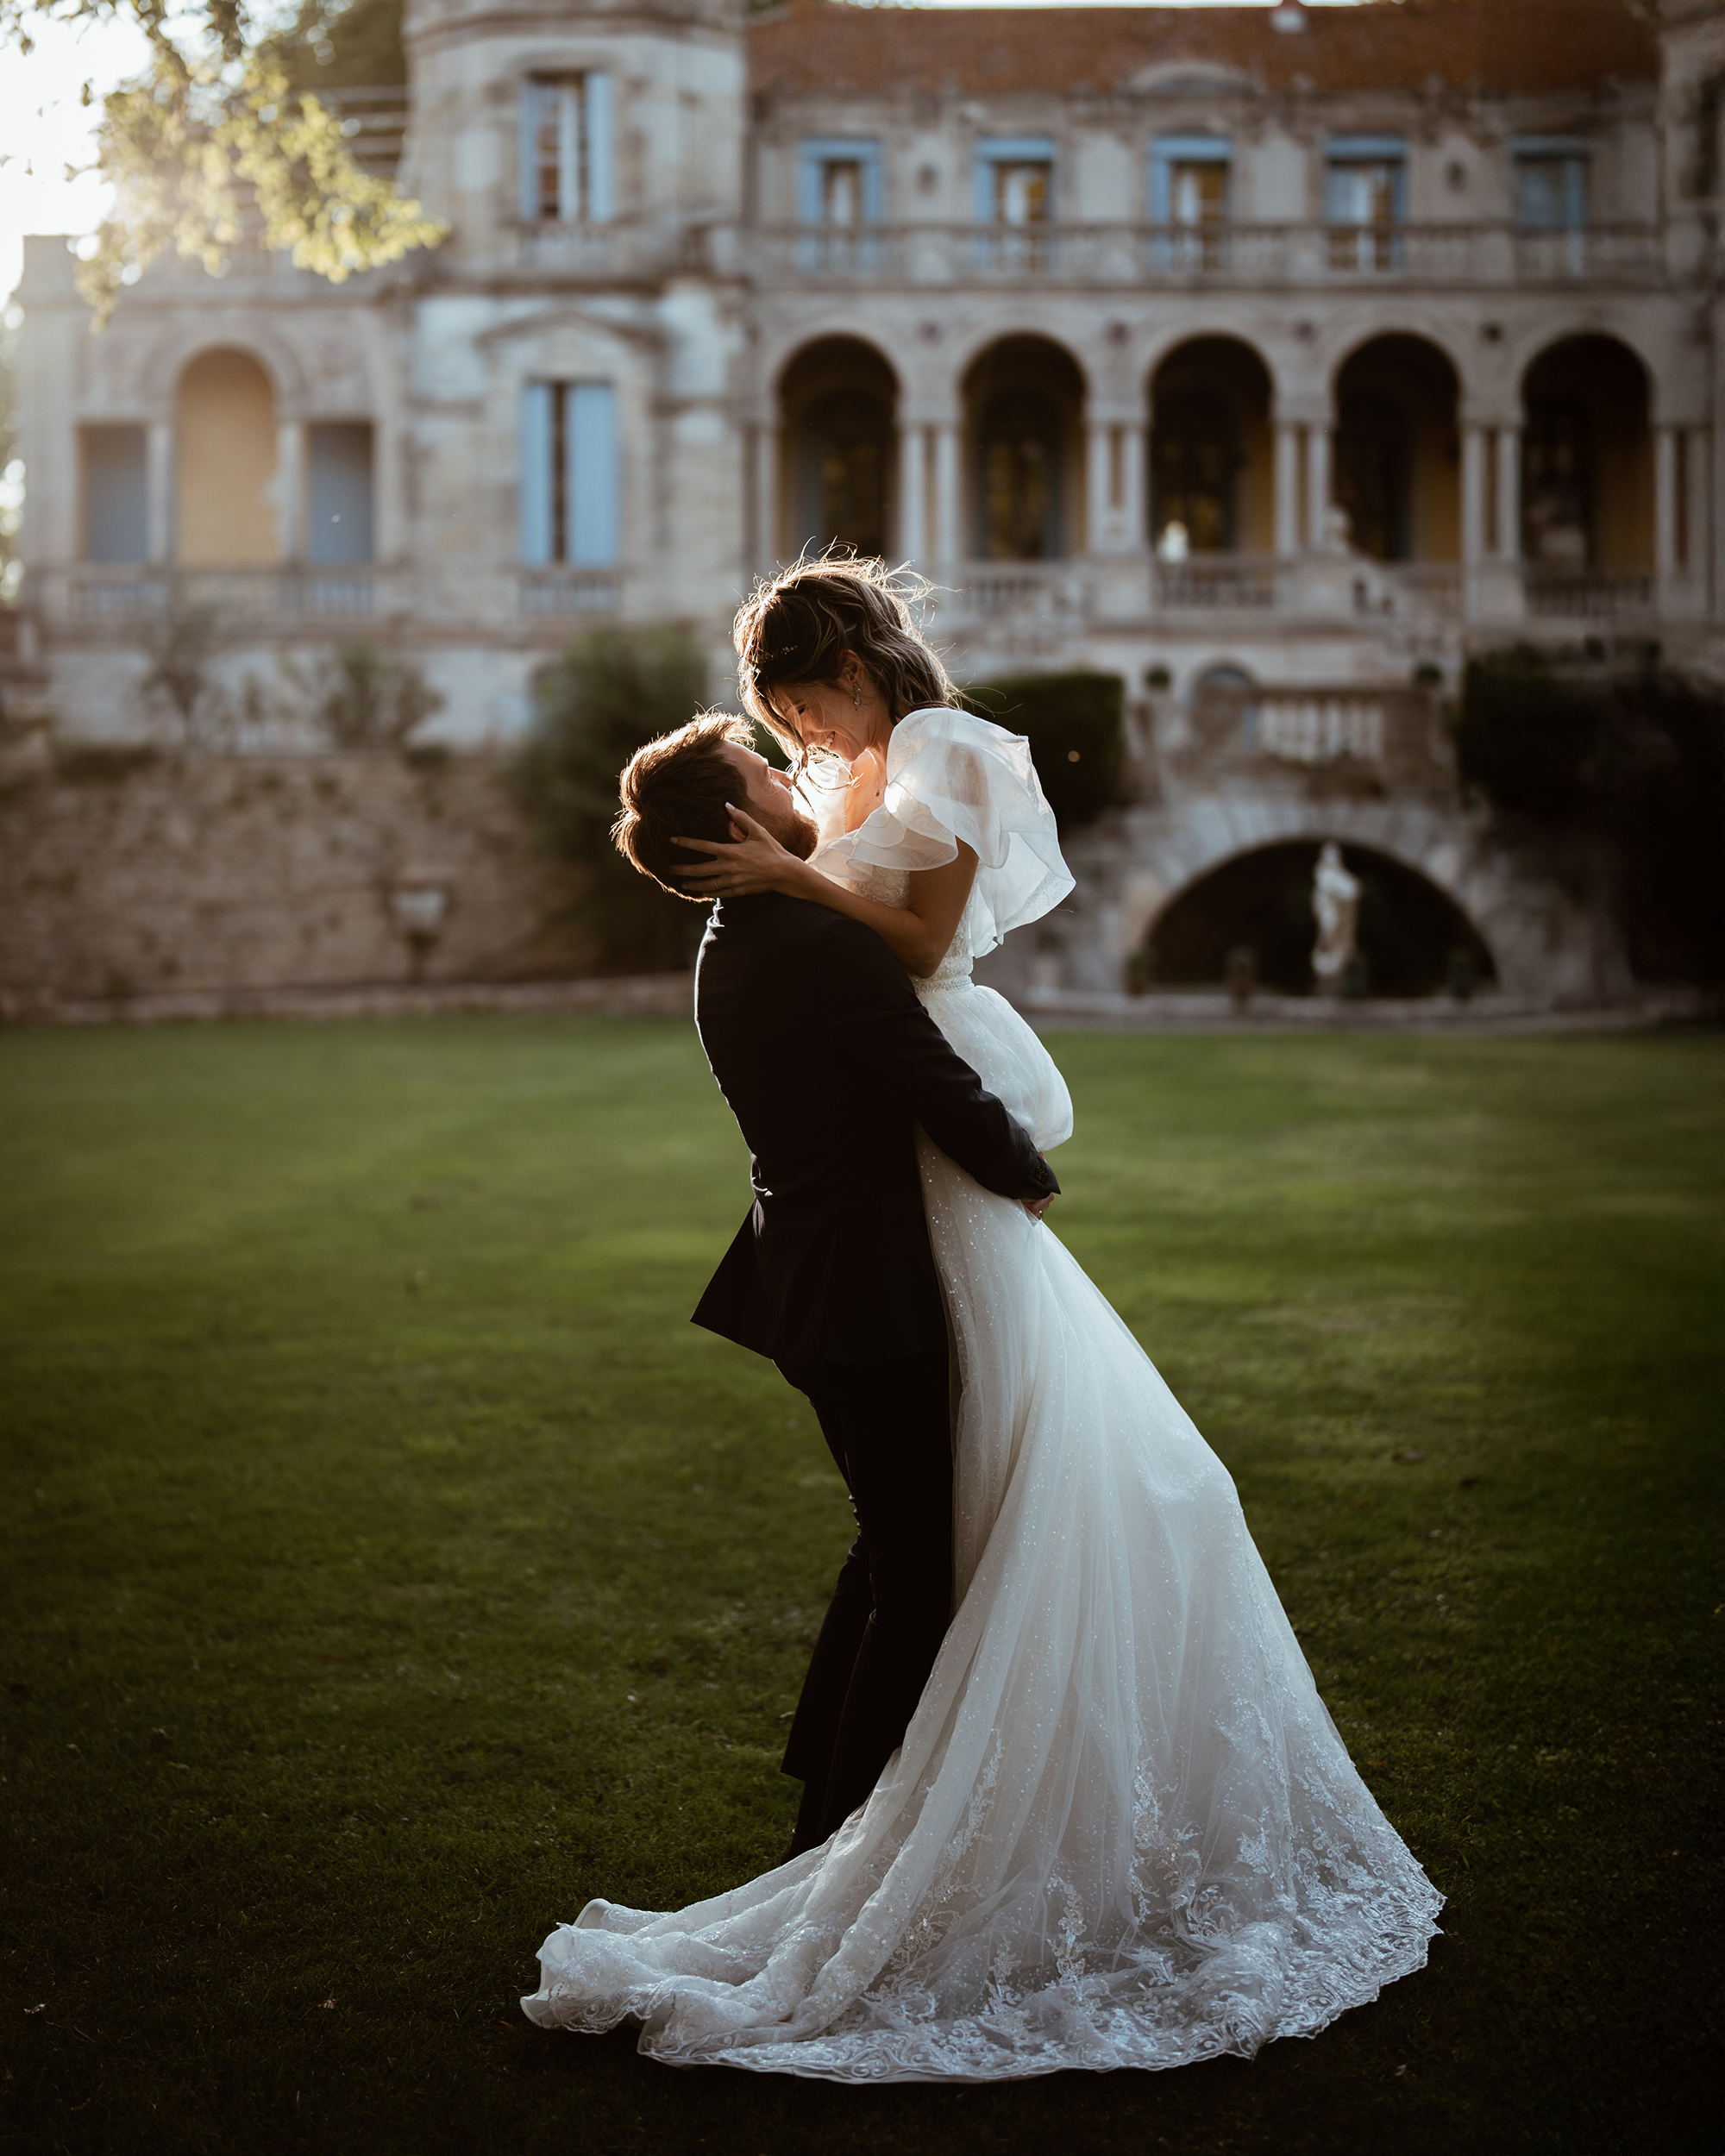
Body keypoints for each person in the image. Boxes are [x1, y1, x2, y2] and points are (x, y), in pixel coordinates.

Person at [521, 558, 1443, 2083]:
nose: (793, 747)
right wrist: (1027, 1174)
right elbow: (924, 1072)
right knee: (969, 1543)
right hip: (890, 1256)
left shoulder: (759, 923)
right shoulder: (795, 934)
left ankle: (843, 1809)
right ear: (739, 824)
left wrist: (828, 885)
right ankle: (871, 1832)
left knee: (929, 1533)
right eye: (771, 747)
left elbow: (917, 978)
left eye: (791, 717)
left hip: (851, 1254)